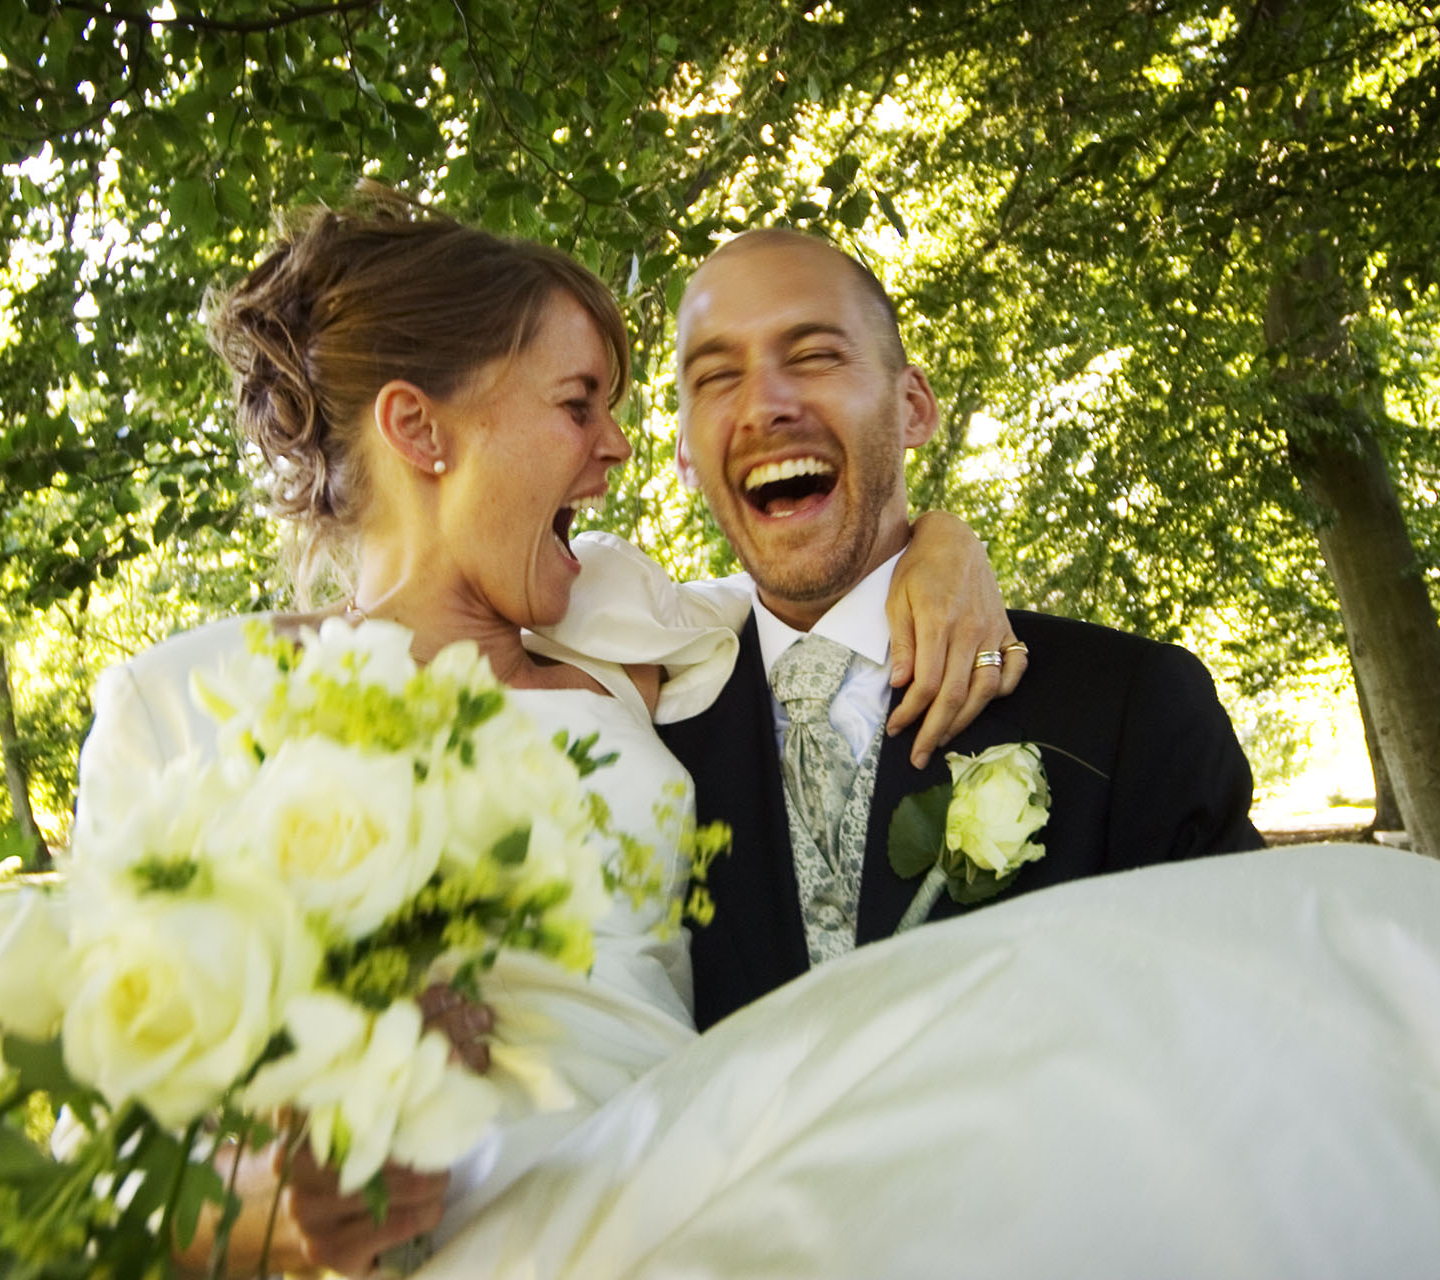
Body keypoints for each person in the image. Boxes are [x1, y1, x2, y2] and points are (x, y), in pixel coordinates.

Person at [74, 188, 1015, 1275]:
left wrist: (947, 545)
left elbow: (829, 585)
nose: (620, 447)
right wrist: (279, 1211)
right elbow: (94, 1152)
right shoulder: (185, 701)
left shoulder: (626, 628)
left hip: (705, 1212)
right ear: (419, 428)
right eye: (578, 404)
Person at [659, 229, 1265, 1028]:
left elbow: (1246, 1040)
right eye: (716, 376)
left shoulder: (1130, 712)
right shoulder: (636, 730)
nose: (766, 403)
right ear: (684, 454)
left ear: (913, 406)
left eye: (813, 356)